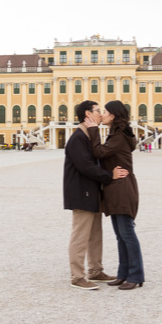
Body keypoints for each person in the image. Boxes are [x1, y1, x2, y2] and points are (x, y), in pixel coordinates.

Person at [63, 100, 128, 290]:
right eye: (98, 111)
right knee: (80, 236)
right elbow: (86, 167)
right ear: (87, 115)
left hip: (93, 192)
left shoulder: (89, 135)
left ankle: (95, 270)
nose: (101, 114)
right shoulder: (78, 138)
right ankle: (77, 277)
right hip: (82, 193)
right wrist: (110, 175)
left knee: (95, 235)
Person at [86, 100, 144, 290]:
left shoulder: (118, 136)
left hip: (122, 187)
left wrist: (93, 130)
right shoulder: (116, 134)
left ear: (113, 116)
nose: (101, 114)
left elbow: (99, 152)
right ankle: (123, 273)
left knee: (127, 233)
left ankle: (135, 275)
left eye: (105, 112)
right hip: (116, 187)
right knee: (121, 234)